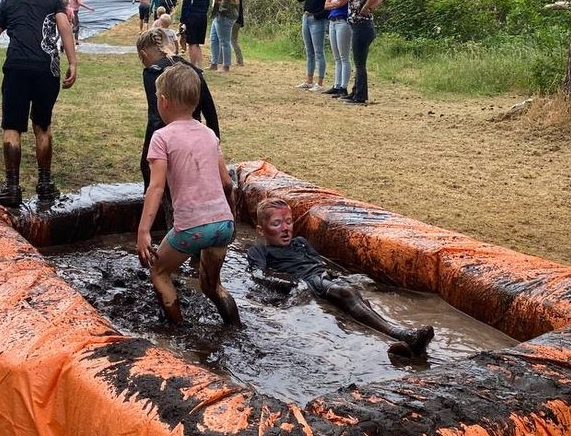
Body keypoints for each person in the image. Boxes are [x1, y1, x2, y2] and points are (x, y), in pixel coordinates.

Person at [248, 198, 435, 357]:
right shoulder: (259, 251)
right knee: (347, 293)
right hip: (308, 282)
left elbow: (320, 263)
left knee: (369, 292)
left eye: (288, 221)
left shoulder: (300, 242)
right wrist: (291, 284)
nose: (285, 228)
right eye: (276, 224)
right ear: (260, 230)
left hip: (325, 277)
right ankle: (402, 334)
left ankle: (398, 345)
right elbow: (258, 275)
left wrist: (340, 276)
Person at [135, 62, 239, 327]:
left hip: (191, 228)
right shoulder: (209, 135)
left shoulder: (162, 137)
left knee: (159, 272)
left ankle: (179, 334)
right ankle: (235, 328)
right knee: (212, 286)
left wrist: (144, 232)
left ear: (164, 102)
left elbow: (156, 187)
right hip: (222, 225)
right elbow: (228, 184)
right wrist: (232, 219)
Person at [0, 0, 78, 207]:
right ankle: (45, 184)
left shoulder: (8, 2)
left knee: (12, 127)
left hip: (17, 68)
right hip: (47, 69)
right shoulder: (54, 1)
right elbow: (66, 29)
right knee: (42, 126)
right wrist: (72, 62)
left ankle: (12, 187)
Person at [135, 28, 218, 191]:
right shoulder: (192, 70)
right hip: (196, 137)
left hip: (169, 140)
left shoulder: (152, 73)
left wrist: (147, 157)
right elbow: (209, 109)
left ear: (144, 55)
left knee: (160, 182)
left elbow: (155, 116)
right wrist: (215, 141)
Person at [336, 0, 383, 105]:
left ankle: (360, 96)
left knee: (360, 64)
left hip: (362, 27)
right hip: (362, 28)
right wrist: (370, 6)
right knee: (358, 62)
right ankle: (355, 92)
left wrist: (365, 9)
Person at [295, 0, 332, 91]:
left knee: (318, 51)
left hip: (318, 20)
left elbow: (329, 6)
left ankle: (320, 83)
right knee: (309, 51)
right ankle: (309, 80)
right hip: (306, 18)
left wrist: (318, 15)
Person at [323, 0, 353, 97]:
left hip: (343, 22)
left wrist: (334, 4)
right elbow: (326, 5)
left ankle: (343, 86)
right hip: (332, 22)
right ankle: (336, 85)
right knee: (336, 57)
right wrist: (335, 4)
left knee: (344, 56)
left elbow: (342, 2)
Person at [208, 0, 241, 73]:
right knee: (213, 39)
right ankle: (214, 63)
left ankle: (226, 66)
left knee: (224, 41)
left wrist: (221, 12)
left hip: (225, 15)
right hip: (220, 14)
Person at [180, 0, 210, 65]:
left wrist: (183, 21)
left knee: (192, 43)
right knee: (197, 44)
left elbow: (186, 5)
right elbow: (207, 3)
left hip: (192, 17)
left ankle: (193, 65)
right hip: (202, 17)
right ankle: (200, 66)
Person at [231, 0, 245, 67]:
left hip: (235, 20)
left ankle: (240, 60)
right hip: (238, 20)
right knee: (234, 40)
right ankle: (239, 60)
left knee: (233, 40)